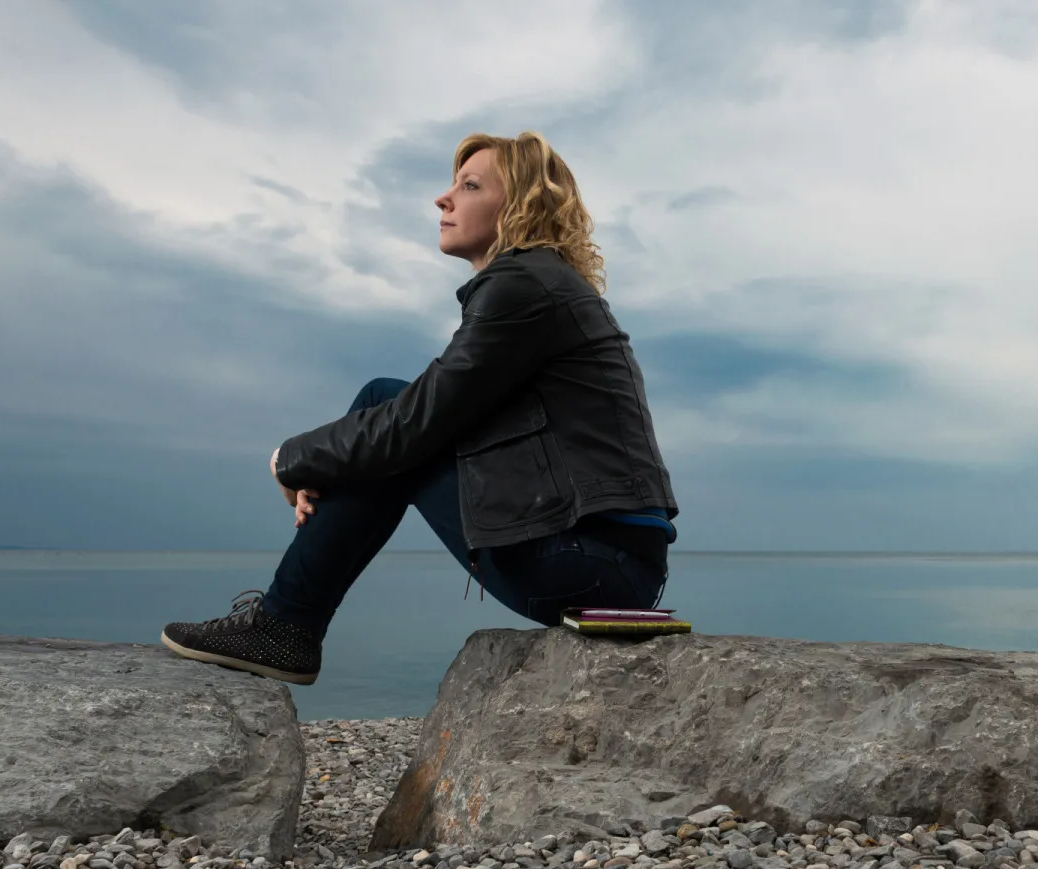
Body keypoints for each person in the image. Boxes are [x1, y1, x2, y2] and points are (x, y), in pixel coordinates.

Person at [160, 132, 679, 685]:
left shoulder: (525, 284)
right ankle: (286, 624)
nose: (442, 198)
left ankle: (284, 625)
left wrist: (291, 459)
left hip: (591, 563)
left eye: (470, 186)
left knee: (384, 405)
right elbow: (434, 416)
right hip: (609, 565)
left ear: (521, 206)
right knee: (385, 409)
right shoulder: (544, 285)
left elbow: (411, 423)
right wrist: (329, 459)